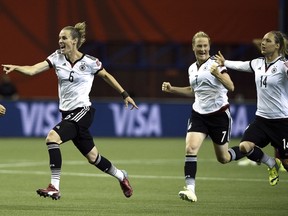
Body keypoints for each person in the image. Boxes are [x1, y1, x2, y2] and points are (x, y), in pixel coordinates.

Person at [2, 21, 138, 200]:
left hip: (83, 111)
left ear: (74, 41)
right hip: (68, 115)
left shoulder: (90, 62)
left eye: (64, 37)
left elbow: (106, 76)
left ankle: (54, 186)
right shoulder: (57, 57)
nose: (60, 40)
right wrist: (17, 68)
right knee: (93, 157)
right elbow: (33, 70)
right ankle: (122, 176)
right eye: (59, 38)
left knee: (52, 138)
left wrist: (124, 94)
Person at [162, 31, 244, 203]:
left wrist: (217, 74)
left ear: (209, 47)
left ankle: (248, 150)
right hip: (199, 114)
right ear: (193, 47)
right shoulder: (192, 68)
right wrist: (172, 89)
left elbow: (231, 86)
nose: (203, 49)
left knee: (223, 158)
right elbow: (193, 90)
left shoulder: (216, 64)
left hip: (219, 116)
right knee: (191, 148)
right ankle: (190, 189)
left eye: (205, 46)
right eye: (199, 46)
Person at [215, 31, 288, 186]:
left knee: (287, 162)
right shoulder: (257, 63)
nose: (263, 43)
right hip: (261, 120)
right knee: (244, 146)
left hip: (282, 122)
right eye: (262, 40)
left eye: (268, 40)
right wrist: (224, 62)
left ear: (277, 45)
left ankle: (280, 162)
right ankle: (271, 163)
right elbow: (241, 65)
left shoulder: (283, 66)